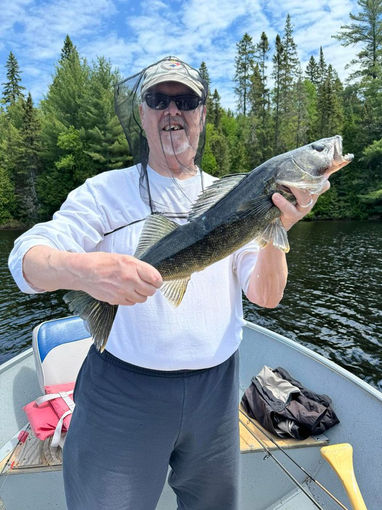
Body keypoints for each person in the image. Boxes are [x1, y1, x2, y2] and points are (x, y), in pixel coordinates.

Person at [8, 56, 329, 510]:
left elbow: (265, 296)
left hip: (215, 396)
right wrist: (87, 271)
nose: (172, 111)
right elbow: (25, 260)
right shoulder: (104, 192)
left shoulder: (234, 197)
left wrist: (279, 229)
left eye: (186, 100)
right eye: (159, 100)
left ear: (202, 113)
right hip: (123, 394)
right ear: (142, 114)